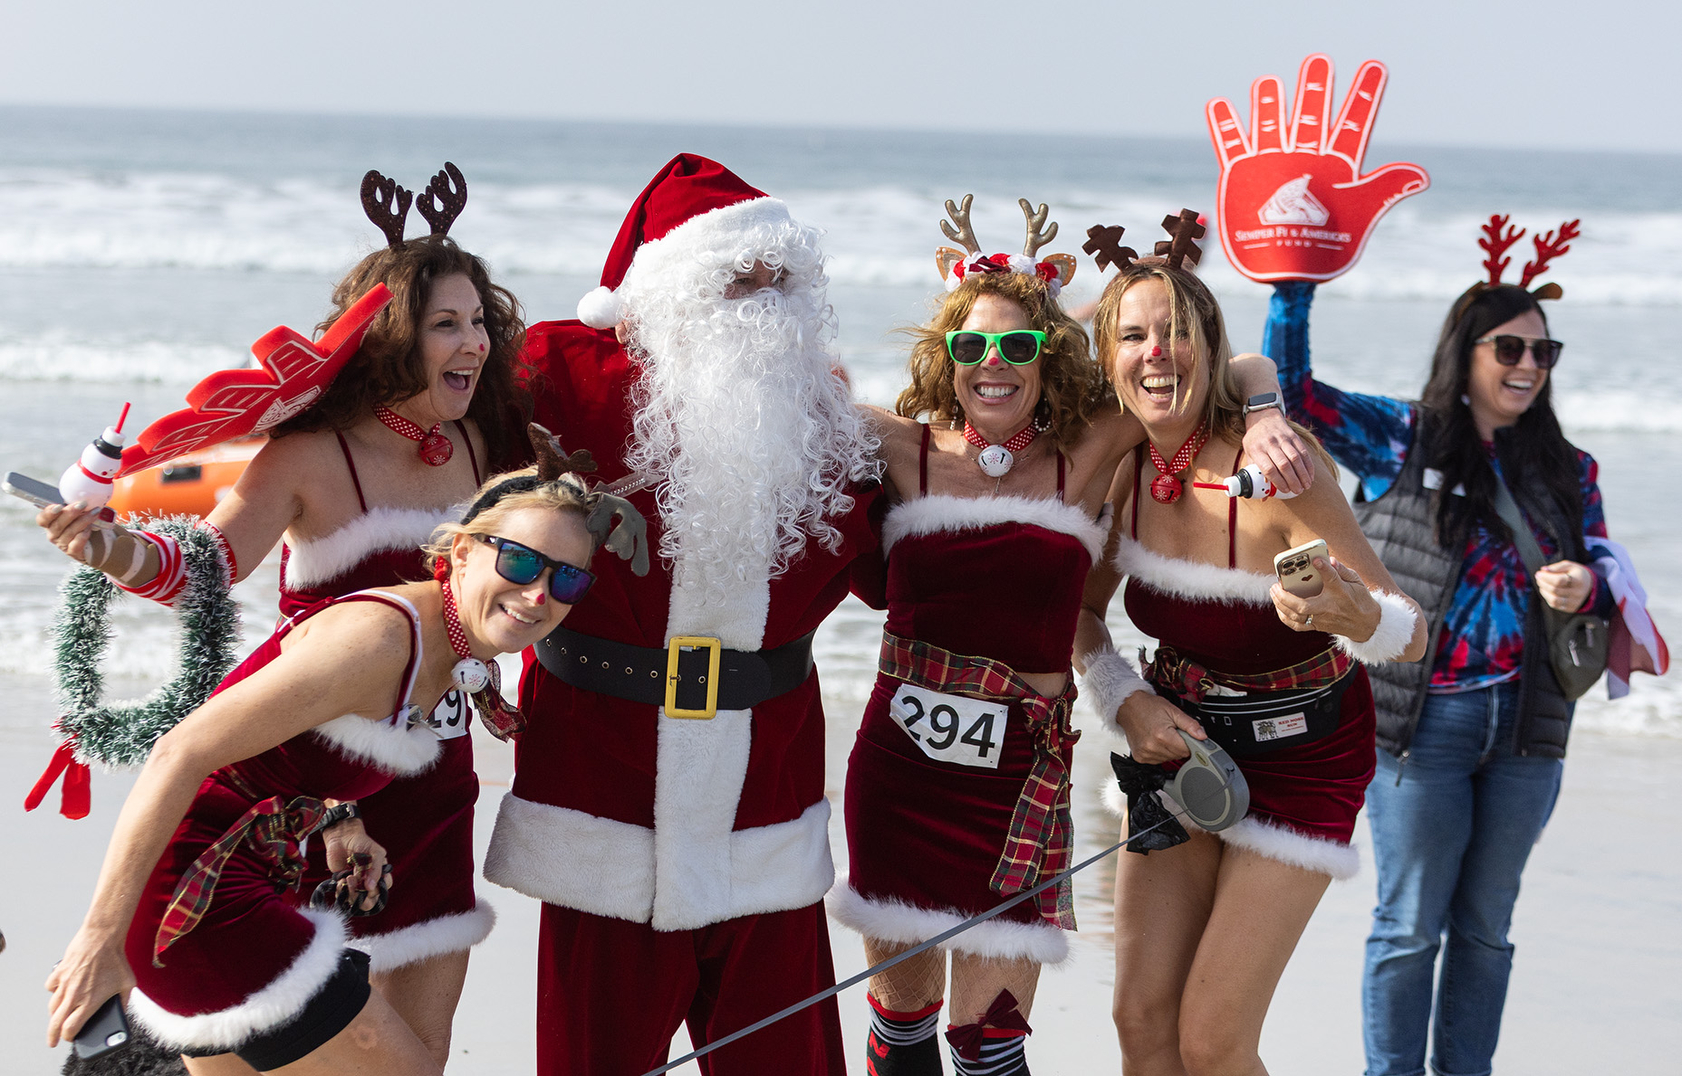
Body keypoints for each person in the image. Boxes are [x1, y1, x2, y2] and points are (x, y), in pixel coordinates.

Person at [36, 166, 525, 1068]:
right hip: (318, 790)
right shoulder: (308, 452)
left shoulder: (484, 444)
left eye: (480, 321)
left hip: (439, 787)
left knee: (424, 1048)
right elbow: (203, 568)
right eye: (445, 324)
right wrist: (105, 546)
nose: (476, 343)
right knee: (328, 1050)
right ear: (389, 336)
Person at [830, 198, 1312, 1076]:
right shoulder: (898, 446)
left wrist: (1271, 413)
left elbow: (1226, 365)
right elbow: (786, 412)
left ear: (1048, 358)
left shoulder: (1090, 451)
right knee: (902, 1033)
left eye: (1019, 346)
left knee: (990, 1047)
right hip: (900, 768)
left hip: (1020, 772)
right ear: (948, 357)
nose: (994, 365)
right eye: (973, 347)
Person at [482, 154, 882, 1076]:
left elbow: (913, 569)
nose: (762, 294)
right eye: (734, 273)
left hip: (766, 805)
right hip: (600, 792)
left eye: (780, 275)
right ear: (667, 283)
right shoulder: (561, 374)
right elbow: (437, 457)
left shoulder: (822, 414)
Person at [45, 466, 607, 1073]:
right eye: (521, 563)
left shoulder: (438, 648)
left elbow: (278, 757)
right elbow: (179, 753)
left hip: (220, 894)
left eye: (567, 579)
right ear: (464, 553)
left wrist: (339, 815)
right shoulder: (381, 639)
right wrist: (100, 938)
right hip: (197, 907)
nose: (538, 594)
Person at [1257, 223, 1637, 1076]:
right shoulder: (1404, 438)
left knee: (1486, 928)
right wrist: (1293, 289)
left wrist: (1582, 585)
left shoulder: (1570, 469)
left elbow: (1604, 573)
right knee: (1407, 923)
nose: (1530, 364)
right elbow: (1291, 398)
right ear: (1467, 351)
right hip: (1422, 725)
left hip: (1529, 731)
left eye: (1545, 350)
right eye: (1511, 346)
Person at [1073, 248, 1427, 1076]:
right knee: (1139, 1019)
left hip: (1306, 753)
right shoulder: (1114, 465)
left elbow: (1410, 633)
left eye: (1178, 333)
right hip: (1179, 743)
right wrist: (1127, 703)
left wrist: (1356, 615)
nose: (1156, 351)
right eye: (1133, 336)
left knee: (1213, 1040)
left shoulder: (1279, 464)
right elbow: (1083, 618)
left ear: (1210, 342)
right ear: (1109, 357)